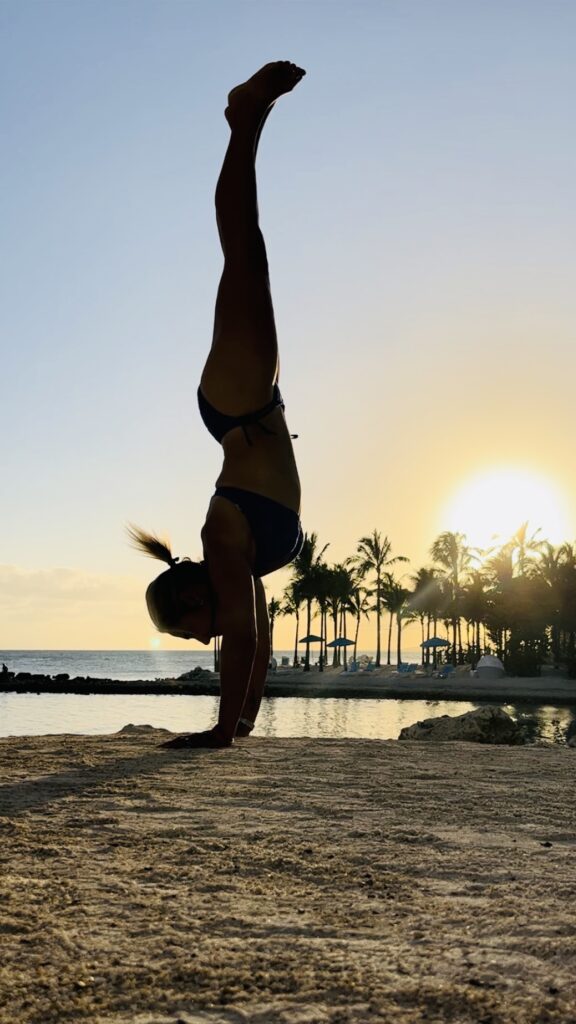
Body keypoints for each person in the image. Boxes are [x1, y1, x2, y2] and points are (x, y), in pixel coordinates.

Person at [128, 62, 306, 748]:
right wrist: (240, 727)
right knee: (248, 256)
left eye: (188, 628)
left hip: (239, 406)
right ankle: (247, 123)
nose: (202, 636)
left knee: (244, 252)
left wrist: (219, 735)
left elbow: (240, 635)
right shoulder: (240, 563)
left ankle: (243, 124)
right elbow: (255, 644)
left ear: (191, 597)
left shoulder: (220, 541)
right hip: (251, 408)